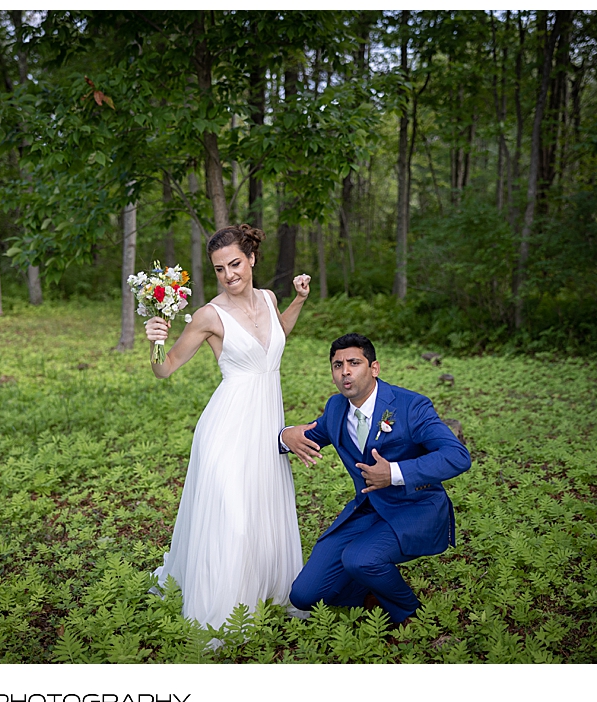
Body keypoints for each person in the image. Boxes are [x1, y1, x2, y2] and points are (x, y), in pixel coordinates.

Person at [143, 223, 311, 633]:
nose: (229, 274)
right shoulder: (208, 315)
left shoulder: (270, 299)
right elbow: (164, 370)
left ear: (251, 259)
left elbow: (278, 334)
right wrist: (156, 341)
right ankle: (224, 611)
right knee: (233, 514)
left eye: (235, 263)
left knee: (262, 508)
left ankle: (265, 591)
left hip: (266, 424)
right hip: (227, 429)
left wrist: (299, 300)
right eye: (219, 269)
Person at [281, 333, 471, 628]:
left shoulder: (411, 407)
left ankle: (410, 613)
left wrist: (394, 473)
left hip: (416, 507)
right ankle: (372, 590)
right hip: (369, 508)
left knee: (360, 558)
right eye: (337, 365)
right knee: (304, 595)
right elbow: (306, 436)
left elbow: (457, 455)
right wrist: (286, 435)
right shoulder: (335, 409)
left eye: (354, 362)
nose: (345, 371)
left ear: (374, 368)